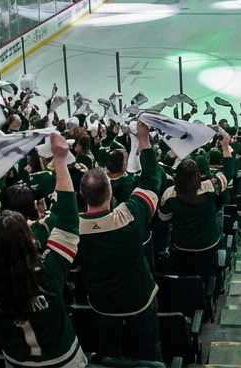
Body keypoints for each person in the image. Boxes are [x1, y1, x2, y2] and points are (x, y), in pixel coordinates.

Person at [0, 129, 86, 368]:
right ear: (28, 240)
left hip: (17, 362)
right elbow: (69, 219)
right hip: (64, 361)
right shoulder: (48, 271)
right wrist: (60, 158)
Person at [75, 119, 163, 362]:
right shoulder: (130, 217)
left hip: (102, 307)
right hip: (140, 303)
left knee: (110, 353)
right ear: (110, 192)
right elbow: (151, 181)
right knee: (150, 352)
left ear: (83, 195)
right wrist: (144, 141)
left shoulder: (73, 230)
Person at [160, 133, 235, 279]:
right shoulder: (210, 188)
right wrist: (225, 146)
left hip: (181, 247)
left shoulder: (169, 195)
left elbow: (163, 219)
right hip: (209, 245)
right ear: (198, 175)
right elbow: (229, 173)